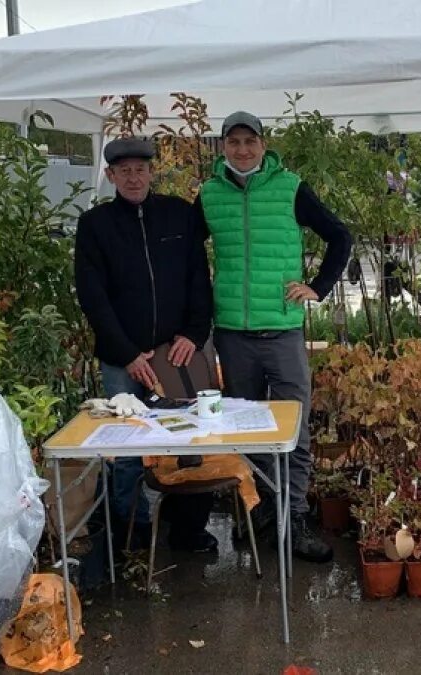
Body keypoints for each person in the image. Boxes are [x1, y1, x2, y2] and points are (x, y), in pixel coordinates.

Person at [196, 111, 353, 563]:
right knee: (246, 430)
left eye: (250, 141)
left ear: (263, 146)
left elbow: (339, 236)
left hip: (282, 331)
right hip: (232, 334)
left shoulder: (290, 188)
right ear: (223, 147)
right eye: (234, 142)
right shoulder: (208, 195)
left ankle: (297, 516)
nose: (242, 150)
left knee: (294, 428)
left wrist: (317, 287)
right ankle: (265, 510)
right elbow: (186, 253)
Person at [74, 137, 217, 552]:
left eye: (140, 169)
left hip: (180, 354)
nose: (133, 177)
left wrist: (194, 334)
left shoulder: (179, 214)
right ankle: (131, 529)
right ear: (110, 176)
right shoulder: (95, 226)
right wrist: (126, 353)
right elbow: (92, 295)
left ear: (152, 172)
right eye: (124, 171)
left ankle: (188, 527)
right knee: (126, 445)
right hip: (125, 359)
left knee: (193, 438)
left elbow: (198, 279)